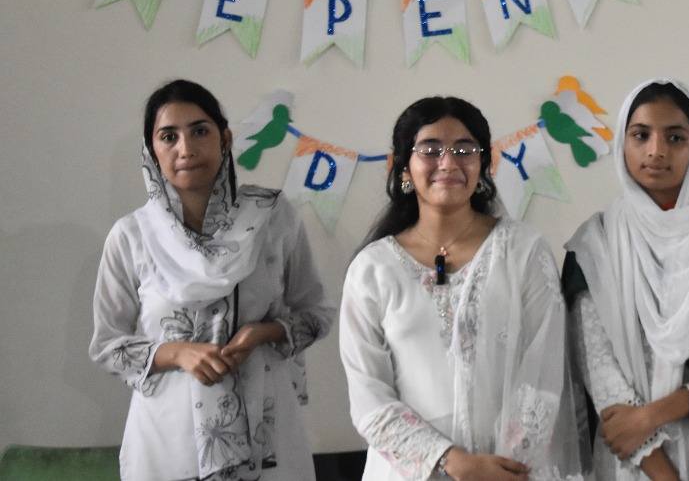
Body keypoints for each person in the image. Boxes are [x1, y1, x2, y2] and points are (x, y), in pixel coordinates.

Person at [90, 79, 334, 480]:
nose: (185, 148)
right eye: (169, 136)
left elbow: (317, 314)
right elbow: (107, 346)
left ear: (225, 138)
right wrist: (178, 353)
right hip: (170, 437)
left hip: (266, 433)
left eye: (200, 131)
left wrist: (263, 332)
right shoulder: (132, 236)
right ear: (152, 150)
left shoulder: (273, 218)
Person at [340, 96, 585, 481]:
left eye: (464, 149)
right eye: (430, 149)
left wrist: (502, 467)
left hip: (510, 471)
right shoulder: (372, 269)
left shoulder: (523, 251)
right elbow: (368, 396)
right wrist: (452, 462)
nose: (448, 163)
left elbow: (543, 372)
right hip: (406, 471)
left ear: (484, 164)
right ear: (403, 166)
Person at [563, 80, 689, 481]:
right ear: (622, 142)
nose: (656, 151)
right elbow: (600, 374)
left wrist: (655, 414)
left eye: (675, 137)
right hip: (629, 457)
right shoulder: (595, 244)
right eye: (641, 135)